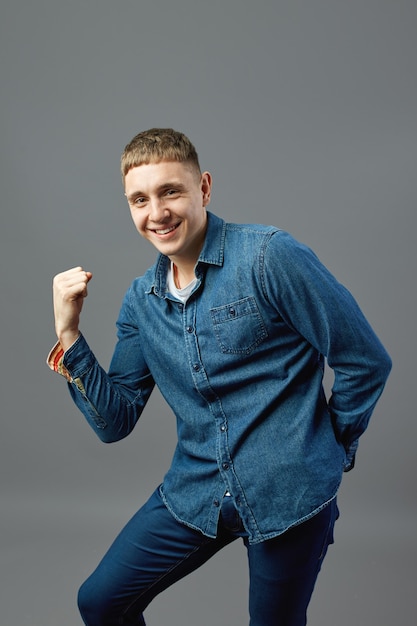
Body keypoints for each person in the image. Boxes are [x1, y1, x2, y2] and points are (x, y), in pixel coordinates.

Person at [48, 127, 392, 626]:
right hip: (197, 490)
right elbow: (114, 420)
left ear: (203, 188)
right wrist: (70, 333)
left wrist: (330, 448)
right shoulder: (141, 302)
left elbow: (365, 359)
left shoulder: (268, 257)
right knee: (101, 602)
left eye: (170, 191)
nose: (157, 213)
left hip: (288, 494)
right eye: (139, 199)